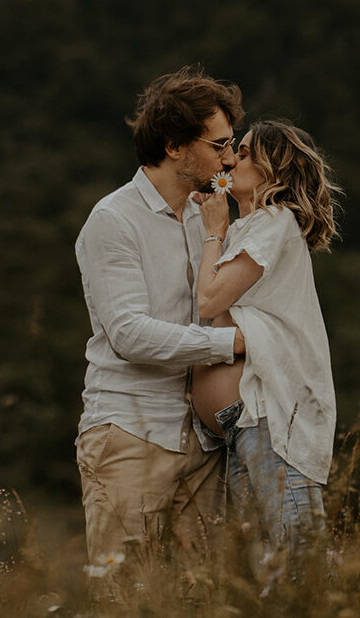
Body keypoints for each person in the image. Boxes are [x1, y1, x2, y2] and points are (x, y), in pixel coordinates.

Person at [74, 66, 248, 569]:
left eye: (231, 144)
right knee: (124, 597)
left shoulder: (208, 216)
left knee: (208, 598)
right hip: (129, 432)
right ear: (174, 146)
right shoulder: (113, 221)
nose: (230, 159)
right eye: (218, 146)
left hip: (202, 436)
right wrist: (233, 344)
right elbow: (129, 335)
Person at [190, 119, 342, 558]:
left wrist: (213, 231)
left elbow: (209, 300)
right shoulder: (252, 228)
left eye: (246, 152)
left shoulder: (275, 221)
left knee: (298, 560)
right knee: (267, 569)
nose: (231, 159)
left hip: (270, 421)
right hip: (244, 427)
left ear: (274, 169)